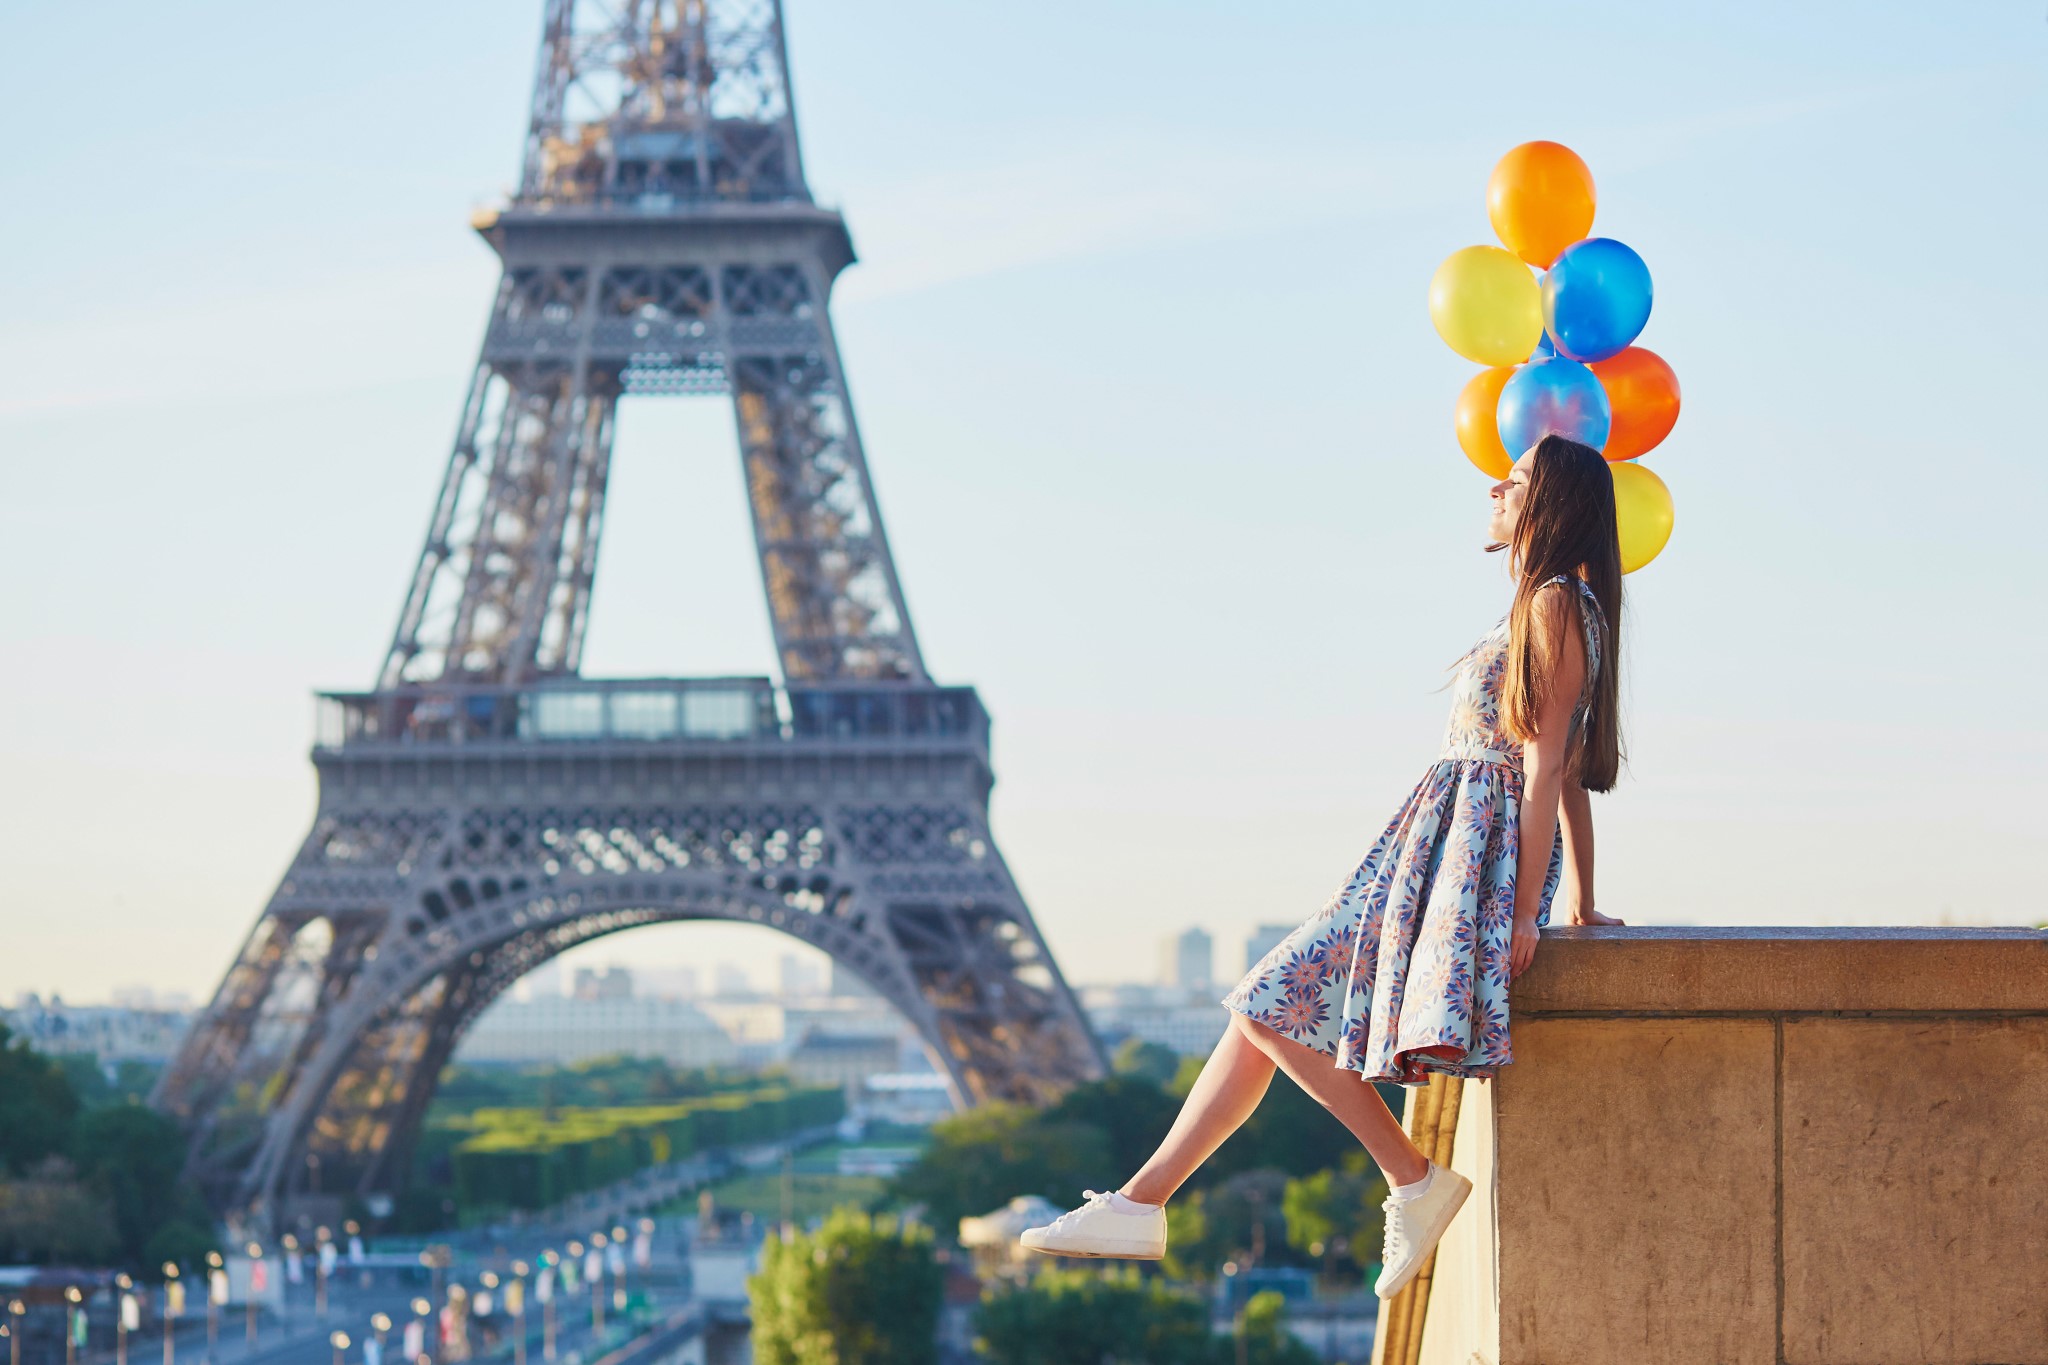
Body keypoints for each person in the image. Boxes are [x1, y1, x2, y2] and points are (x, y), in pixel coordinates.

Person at [1020, 434, 1629, 1297]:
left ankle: (1410, 1177)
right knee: (1260, 1011)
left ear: (1551, 503)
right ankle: (1141, 1201)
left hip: (1471, 852)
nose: (1496, 485)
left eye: (1517, 478)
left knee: (1271, 995)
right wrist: (1583, 896)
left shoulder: (1558, 604)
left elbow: (1546, 769)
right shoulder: (1554, 603)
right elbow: (1560, 771)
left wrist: (1534, 907)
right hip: (1444, 841)